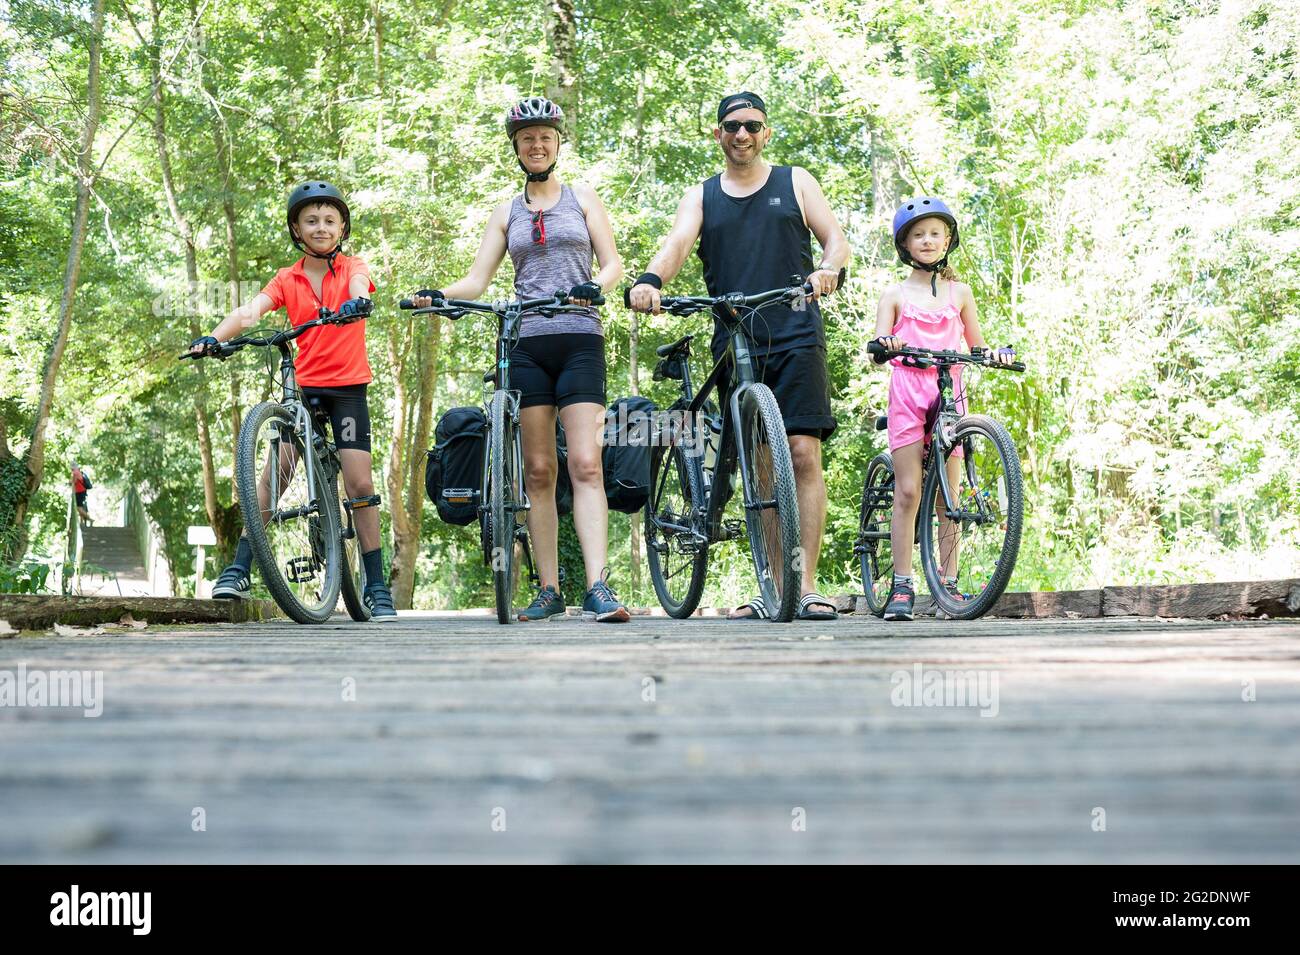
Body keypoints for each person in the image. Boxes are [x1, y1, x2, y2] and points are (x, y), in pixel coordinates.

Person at [627, 91, 850, 621]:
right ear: (718, 134)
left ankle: (806, 585)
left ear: (766, 132)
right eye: (732, 126)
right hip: (735, 339)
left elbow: (836, 239)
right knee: (764, 466)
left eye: (752, 125)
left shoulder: (795, 181)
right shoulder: (702, 195)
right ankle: (773, 584)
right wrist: (650, 279)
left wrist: (828, 269)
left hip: (796, 329)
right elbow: (679, 243)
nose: (742, 134)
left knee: (802, 455)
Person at [411, 97, 629, 622]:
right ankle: (550, 588)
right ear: (517, 147)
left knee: (585, 463)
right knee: (537, 470)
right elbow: (478, 280)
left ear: (558, 145)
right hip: (525, 342)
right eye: (527, 138)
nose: (537, 145)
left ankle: (598, 586)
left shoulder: (583, 199)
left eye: (546, 137)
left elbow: (614, 263)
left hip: (580, 339)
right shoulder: (505, 211)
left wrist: (593, 287)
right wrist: (439, 295)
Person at [189, 180, 398, 621]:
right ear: (296, 230)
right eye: (311, 221)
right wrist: (213, 338)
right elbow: (251, 312)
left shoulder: (353, 267)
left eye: (329, 220)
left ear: (342, 227)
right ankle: (240, 567)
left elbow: (362, 285)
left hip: (347, 391)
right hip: (304, 389)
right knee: (276, 473)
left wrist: (358, 304)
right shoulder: (288, 278)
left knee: (359, 483)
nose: (321, 228)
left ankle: (377, 586)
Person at [872, 197, 1015, 621]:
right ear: (905, 244)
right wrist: (887, 345)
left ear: (948, 239)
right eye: (919, 234)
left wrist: (996, 355)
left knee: (947, 496)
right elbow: (878, 345)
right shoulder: (895, 295)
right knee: (910, 490)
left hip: (950, 388)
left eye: (935, 233)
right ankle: (901, 585)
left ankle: (947, 585)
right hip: (909, 390)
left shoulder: (960, 292)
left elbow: (978, 344)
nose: (928, 240)